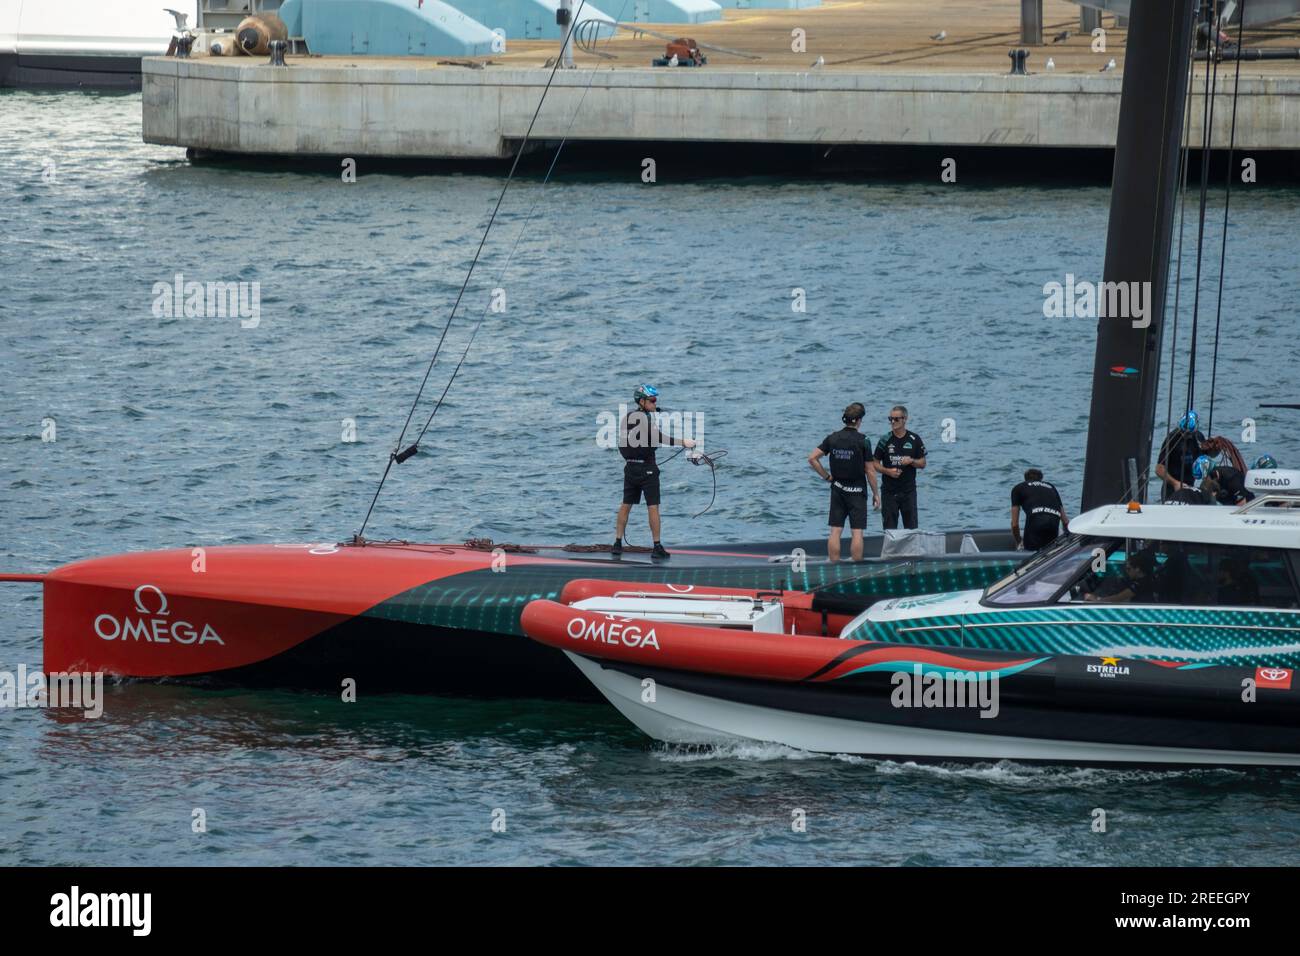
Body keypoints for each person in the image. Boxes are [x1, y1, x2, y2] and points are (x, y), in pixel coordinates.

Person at [612, 383, 695, 559]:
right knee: (653, 507)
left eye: (655, 400)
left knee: (626, 505)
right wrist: (684, 442)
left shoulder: (628, 417)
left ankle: (617, 544)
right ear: (641, 401)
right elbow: (658, 437)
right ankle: (657, 547)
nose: (655, 403)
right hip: (647, 469)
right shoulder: (645, 419)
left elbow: (622, 444)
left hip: (630, 468)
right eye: (652, 400)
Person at [808, 402, 880, 562]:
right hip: (857, 492)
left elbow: (812, 458)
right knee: (857, 532)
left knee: (835, 530)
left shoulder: (833, 438)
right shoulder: (864, 440)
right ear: (859, 420)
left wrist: (827, 477)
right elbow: (870, 470)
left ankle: (833, 566)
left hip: (838, 489)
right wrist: (876, 493)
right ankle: (856, 566)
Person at [873, 405, 927, 530]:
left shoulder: (914, 439)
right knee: (889, 530)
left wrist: (911, 461)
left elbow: (923, 463)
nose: (893, 422)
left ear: (905, 419)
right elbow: (874, 463)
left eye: (896, 419)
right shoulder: (884, 440)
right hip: (889, 492)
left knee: (912, 529)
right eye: (890, 419)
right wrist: (887, 471)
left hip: (908, 492)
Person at [1155, 410, 1208, 502]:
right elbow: (1159, 469)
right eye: (1183, 432)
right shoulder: (1171, 439)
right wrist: (1175, 483)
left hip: (1190, 485)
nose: (1186, 435)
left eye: (1189, 434)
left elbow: (1205, 459)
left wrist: (1215, 449)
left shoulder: (1199, 437)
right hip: (1172, 486)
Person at [1010, 468, 1069, 551]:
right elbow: (1065, 521)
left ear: (1025, 479)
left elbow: (1014, 524)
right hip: (1053, 523)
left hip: (1036, 523)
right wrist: (1068, 539)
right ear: (1041, 479)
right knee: (1049, 552)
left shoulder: (1018, 488)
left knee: (1029, 553)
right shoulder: (1051, 487)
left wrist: (1019, 542)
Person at [1085, 549, 1157, 603]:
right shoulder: (1147, 579)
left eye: (1129, 569)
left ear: (1137, 569)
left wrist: (1096, 599)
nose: (1126, 571)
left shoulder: (1141, 583)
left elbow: (1118, 598)